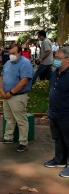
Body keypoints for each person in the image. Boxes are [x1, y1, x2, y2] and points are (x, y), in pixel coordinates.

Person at [0, 44, 33, 152]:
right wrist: (1, 90)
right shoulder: (8, 63)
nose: (11, 55)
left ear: (19, 53)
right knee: (9, 118)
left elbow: (24, 81)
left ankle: (23, 142)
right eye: (10, 53)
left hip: (17, 96)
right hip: (6, 95)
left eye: (13, 53)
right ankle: (8, 137)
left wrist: (11, 93)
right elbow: (2, 76)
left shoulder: (25, 63)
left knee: (21, 120)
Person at [44, 47, 69, 178]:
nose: (55, 61)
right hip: (53, 112)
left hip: (66, 114)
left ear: (68, 59)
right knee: (57, 138)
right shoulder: (54, 73)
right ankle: (60, 160)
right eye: (55, 58)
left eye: (58, 58)